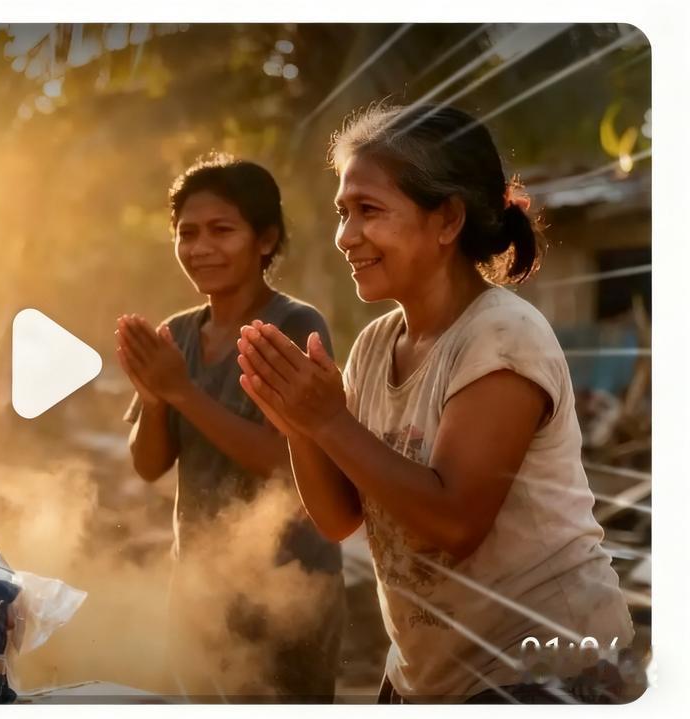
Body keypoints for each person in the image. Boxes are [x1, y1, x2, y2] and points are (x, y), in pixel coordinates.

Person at [236, 104, 636, 703]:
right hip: (427, 677)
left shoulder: (501, 337)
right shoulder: (376, 344)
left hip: (547, 675)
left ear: (447, 218)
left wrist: (327, 419)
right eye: (343, 213)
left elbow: (454, 522)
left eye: (369, 211)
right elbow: (341, 516)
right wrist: (301, 428)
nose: (346, 237)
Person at [116, 154, 345, 701]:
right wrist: (153, 398)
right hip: (197, 585)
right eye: (187, 233)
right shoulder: (178, 334)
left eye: (222, 230)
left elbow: (283, 463)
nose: (200, 248)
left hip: (288, 589)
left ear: (265, 240)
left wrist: (181, 392)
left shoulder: (294, 325)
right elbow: (149, 465)